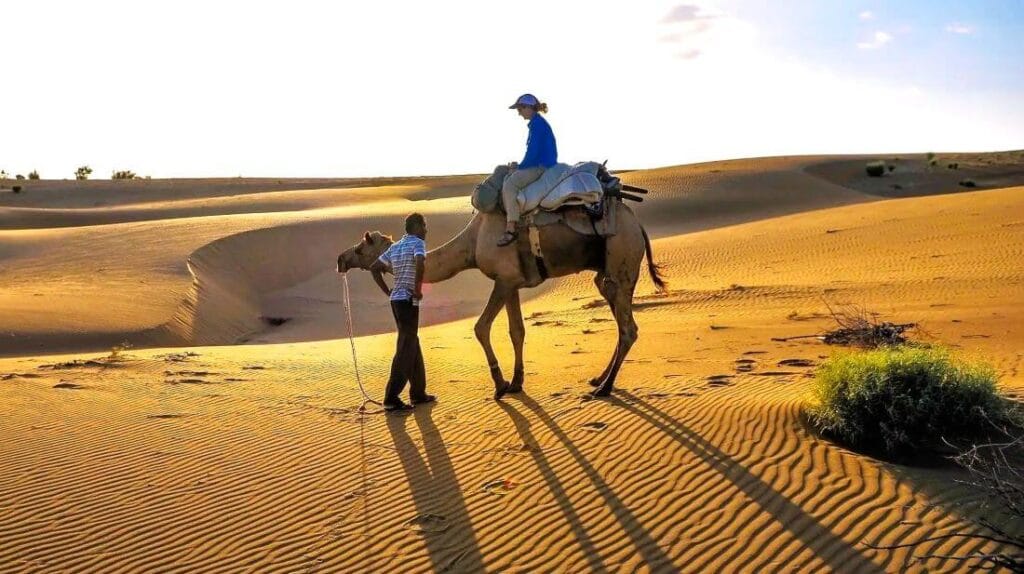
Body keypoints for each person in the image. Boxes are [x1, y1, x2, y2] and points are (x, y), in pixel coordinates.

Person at [369, 213, 436, 411]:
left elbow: (374, 268)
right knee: (407, 345)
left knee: (411, 340)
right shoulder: (417, 243)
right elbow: (420, 263)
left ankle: (418, 393)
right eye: (424, 225)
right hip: (407, 300)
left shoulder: (396, 246)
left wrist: (387, 291)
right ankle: (391, 397)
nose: (426, 229)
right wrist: (417, 289)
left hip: (397, 300)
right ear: (415, 227)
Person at [497, 93, 558, 247]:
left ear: (529, 108)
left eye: (520, 108)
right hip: (541, 164)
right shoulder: (537, 123)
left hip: (541, 167)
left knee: (510, 185)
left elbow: (533, 154)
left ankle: (511, 228)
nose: (519, 112)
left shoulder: (538, 125)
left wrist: (518, 167)